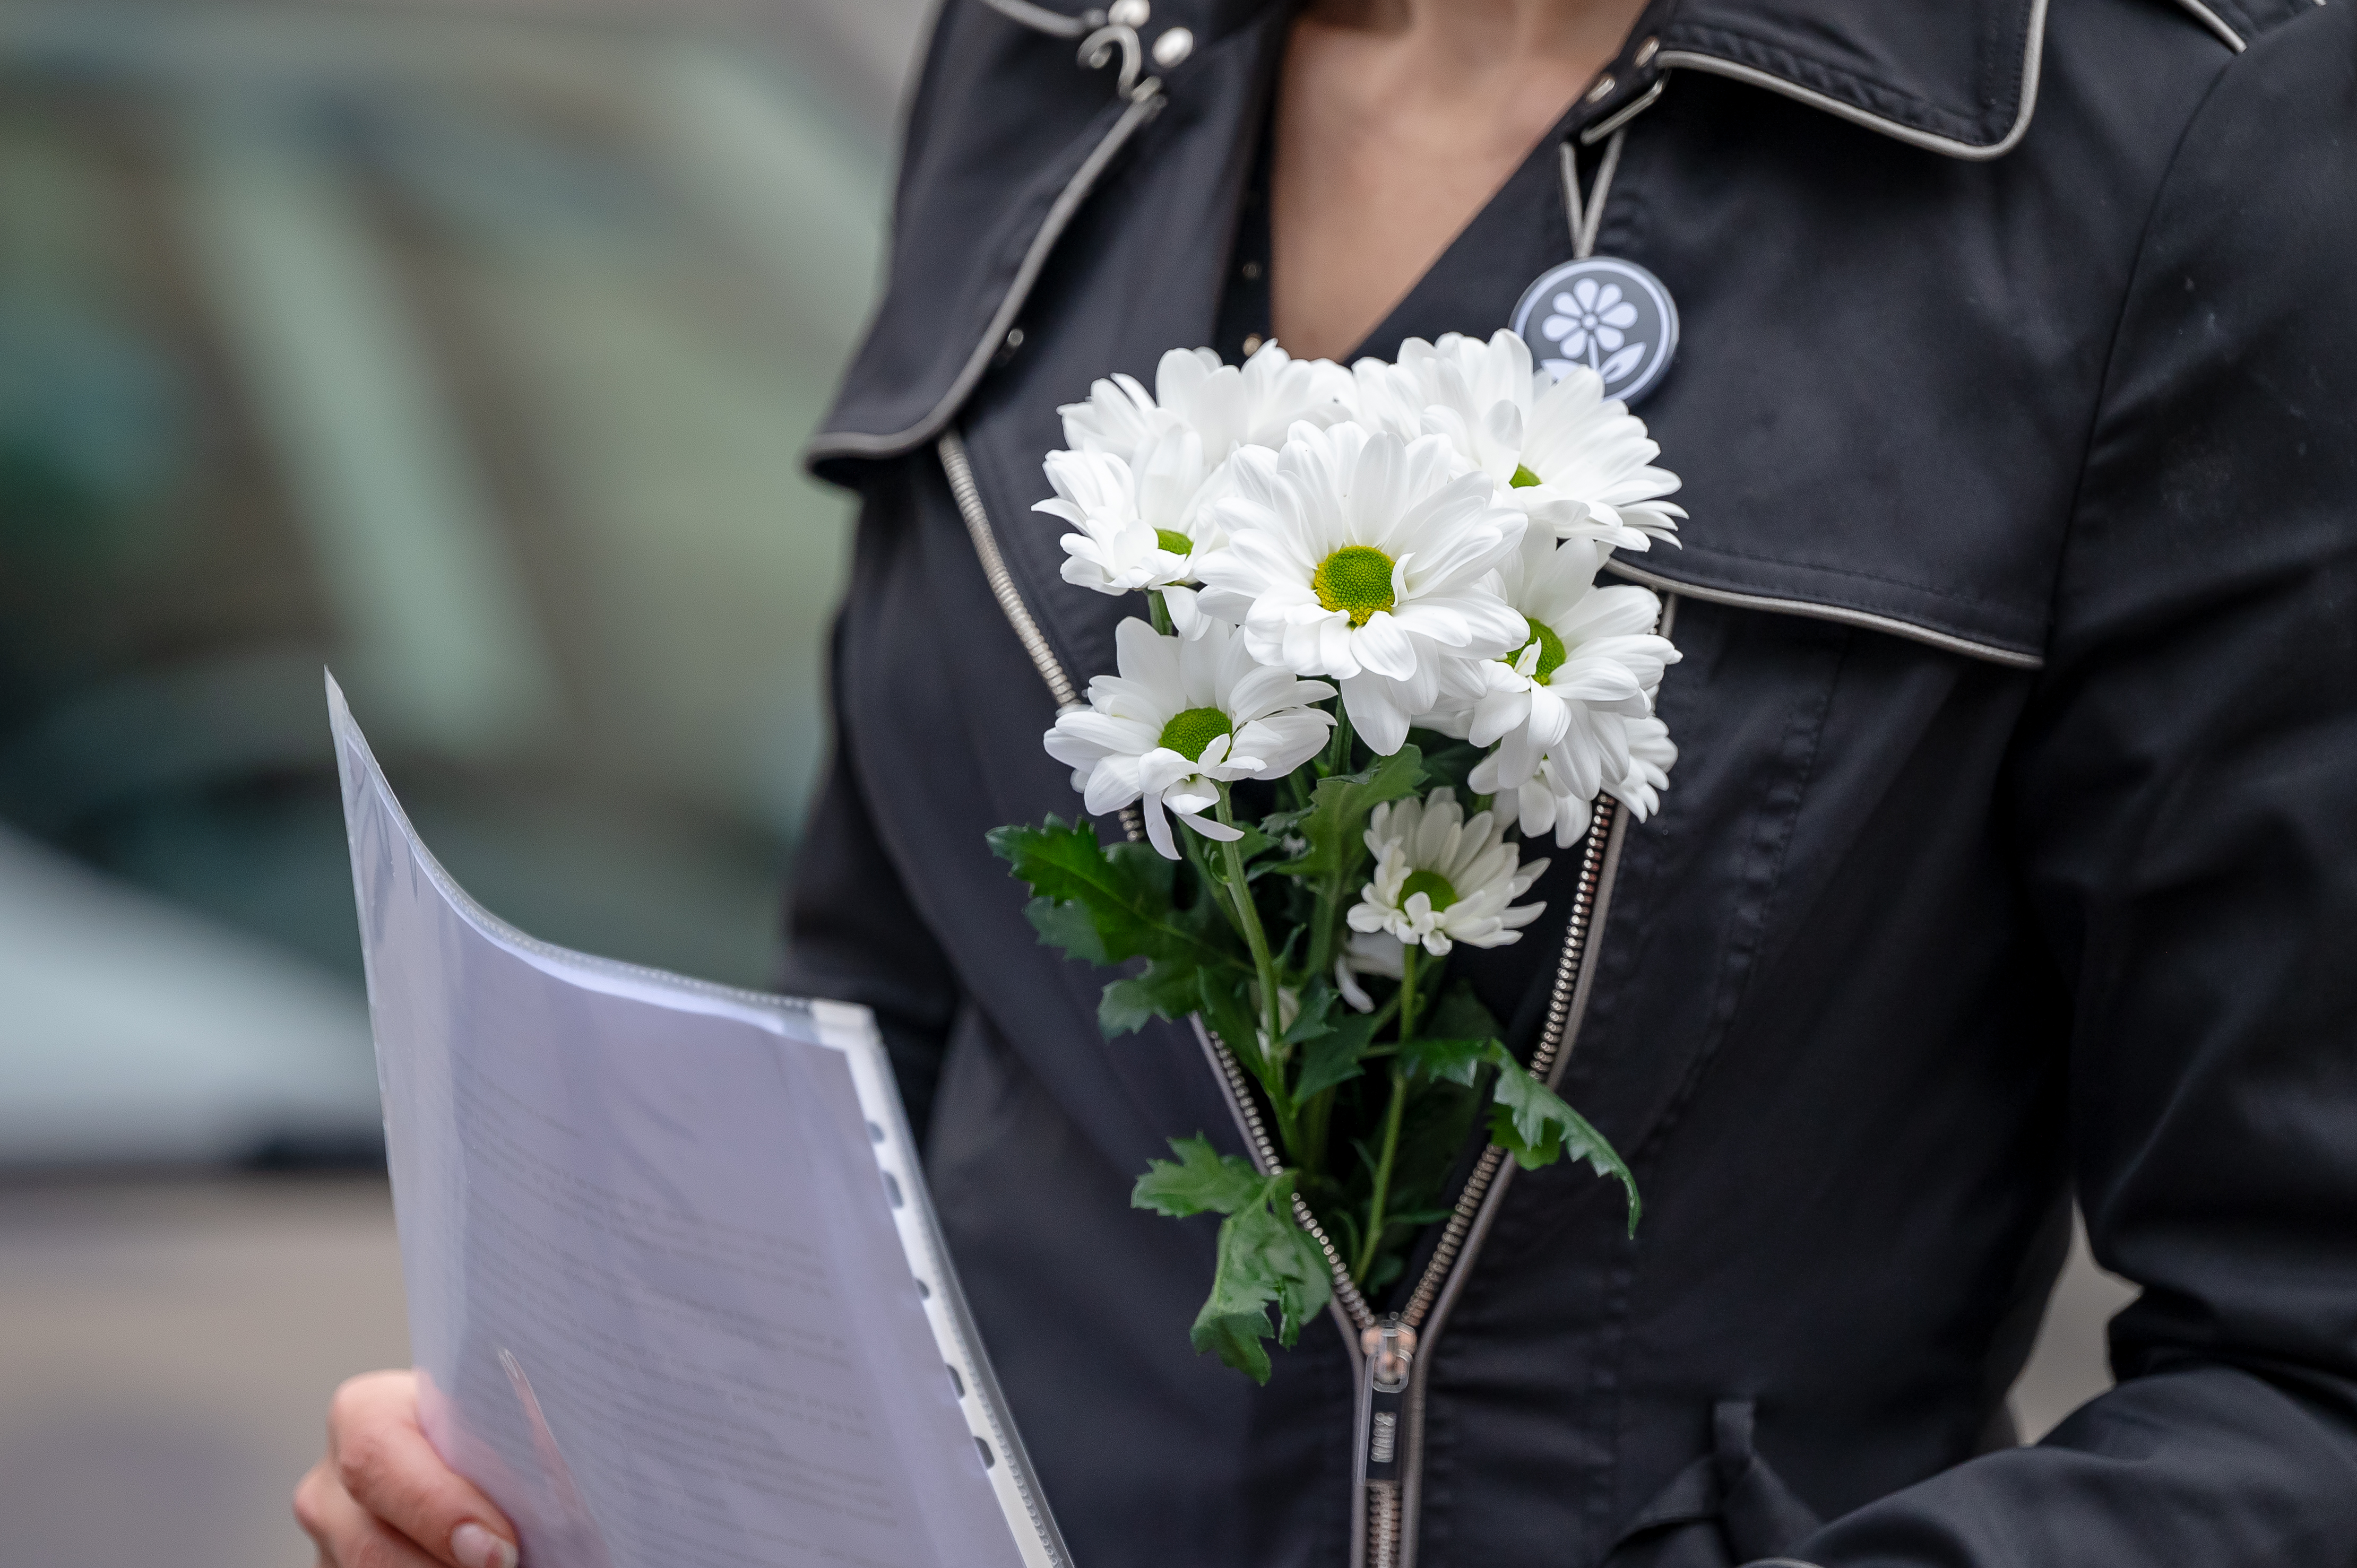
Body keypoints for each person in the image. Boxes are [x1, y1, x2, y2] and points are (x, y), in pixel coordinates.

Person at [297, 0, 2357, 1564]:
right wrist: (606, 1472)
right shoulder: (1056, 48)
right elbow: (895, 1054)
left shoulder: (2166, 125)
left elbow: (2309, 1372)